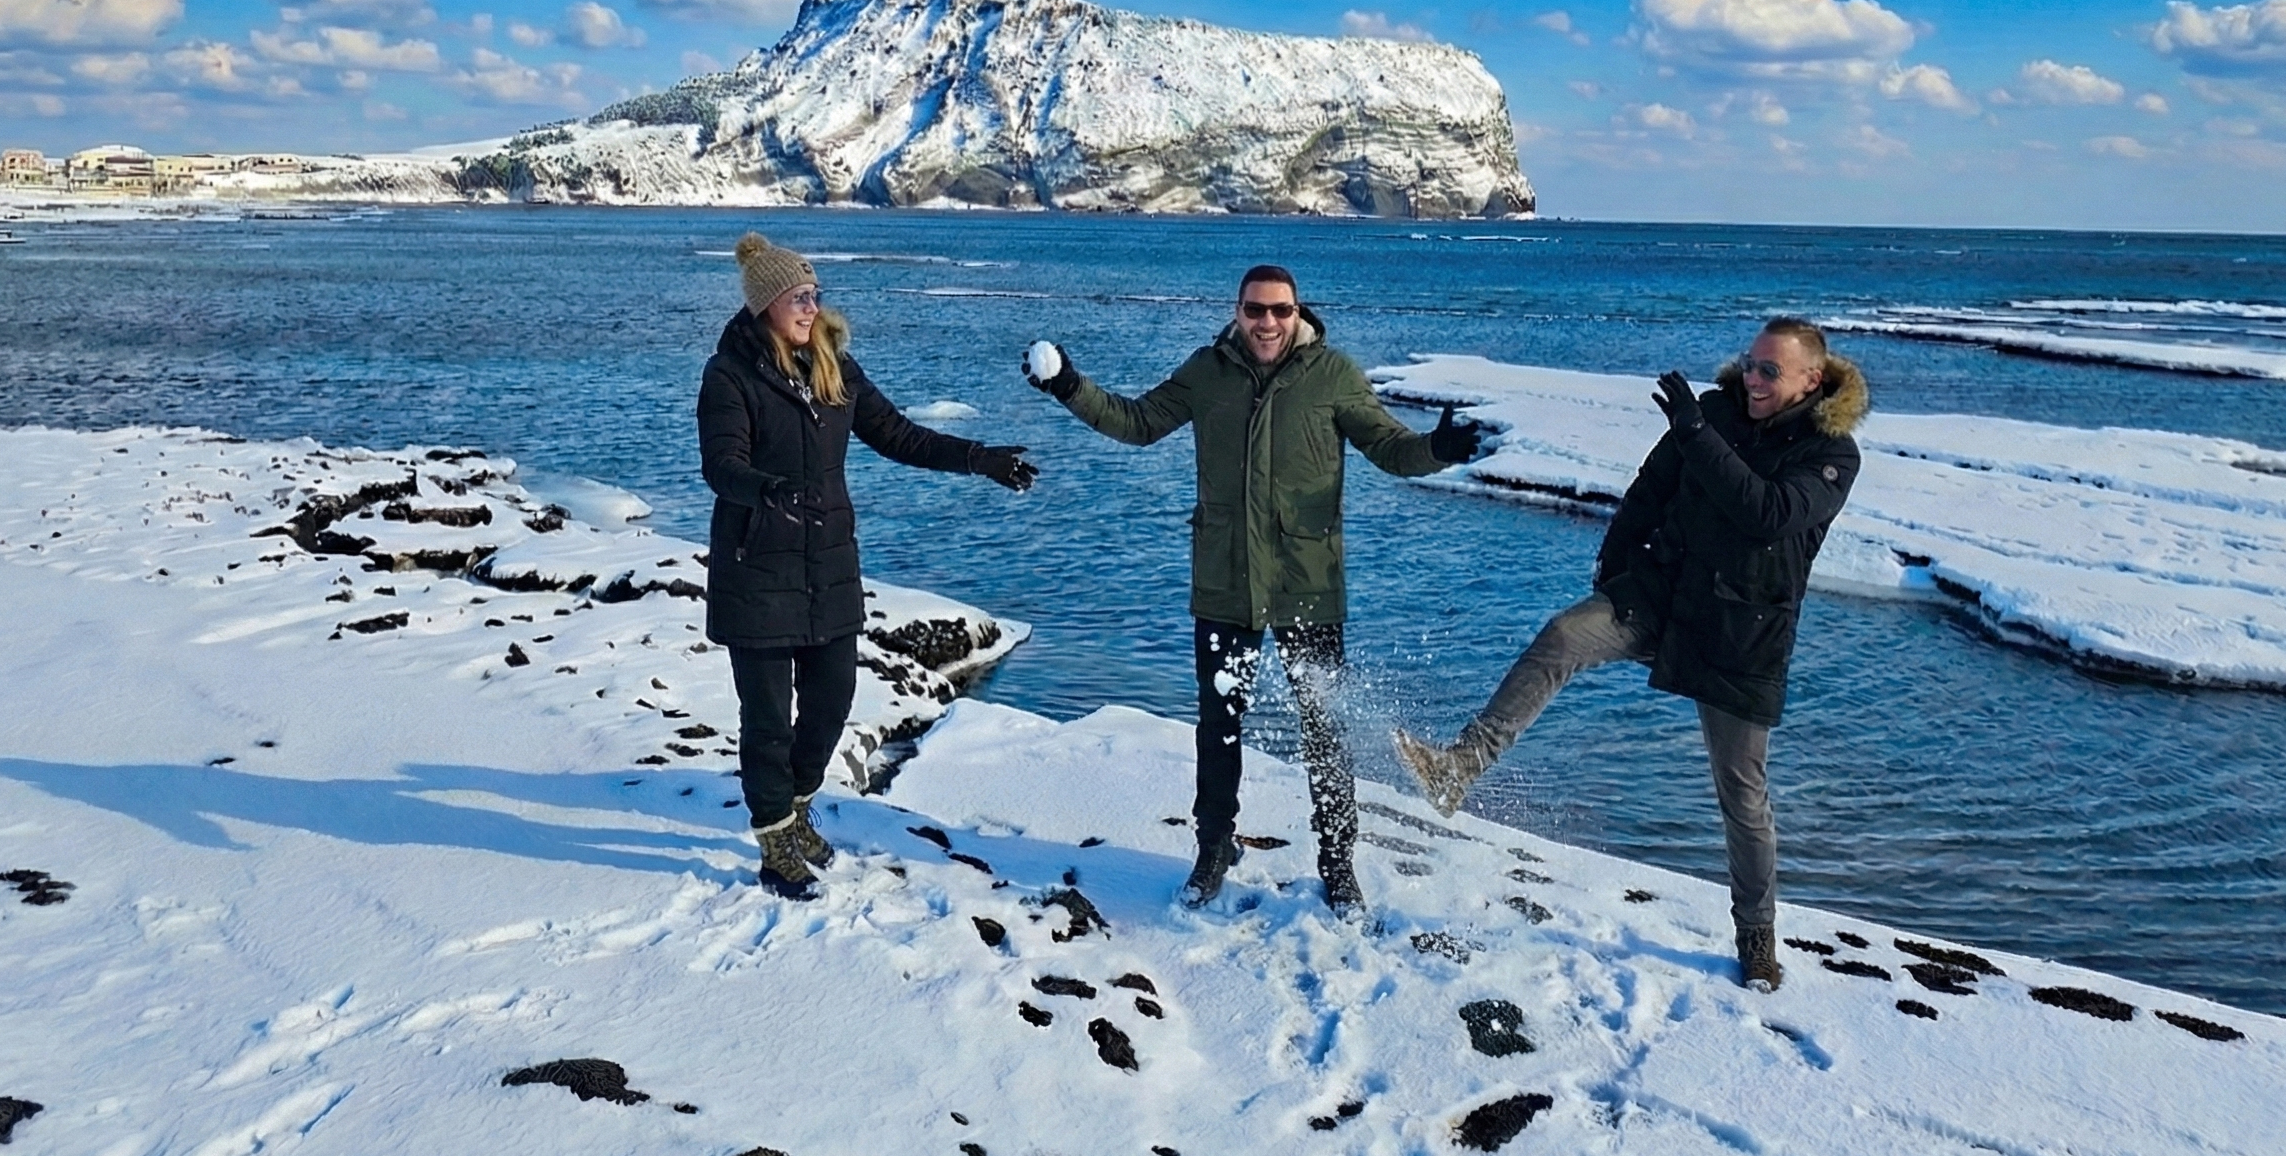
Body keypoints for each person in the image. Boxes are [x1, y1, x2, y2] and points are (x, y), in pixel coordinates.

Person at [1393, 318, 1867, 991]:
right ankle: (1458, 767)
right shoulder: (1711, 412)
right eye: (1749, 364)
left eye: (1769, 371)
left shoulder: (1831, 452)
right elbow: (1650, 490)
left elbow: (1764, 514)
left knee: (1742, 793)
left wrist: (1698, 436)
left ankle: (1756, 938)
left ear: (1810, 381)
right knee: (1562, 635)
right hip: (1659, 595)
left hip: (1741, 629)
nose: (1753, 379)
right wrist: (1615, 565)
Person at [1024, 265, 1483, 917]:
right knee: (1218, 727)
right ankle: (1213, 848)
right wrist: (1068, 385)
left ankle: (1336, 860)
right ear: (1236, 312)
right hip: (1225, 581)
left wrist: (1438, 446)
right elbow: (1137, 422)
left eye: (1278, 310)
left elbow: (1389, 448)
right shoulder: (1207, 371)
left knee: (1323, 728)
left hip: (1306, 583)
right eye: (1253, 310)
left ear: (1298, 312)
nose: (1266, 322)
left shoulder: (1332, 376)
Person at [699, 233, 1039, 900]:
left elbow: (899, 435)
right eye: (798, 296)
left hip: (827, 567)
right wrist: (765, 489)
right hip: (757, 569)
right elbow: (721, 465)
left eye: (815, 294)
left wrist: (979, 458)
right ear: (765, 302)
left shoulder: (833, 369)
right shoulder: (729, 375)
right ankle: (775, 843)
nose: (810, 305)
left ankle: (796, 808)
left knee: (830, 705)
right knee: (767, 720)